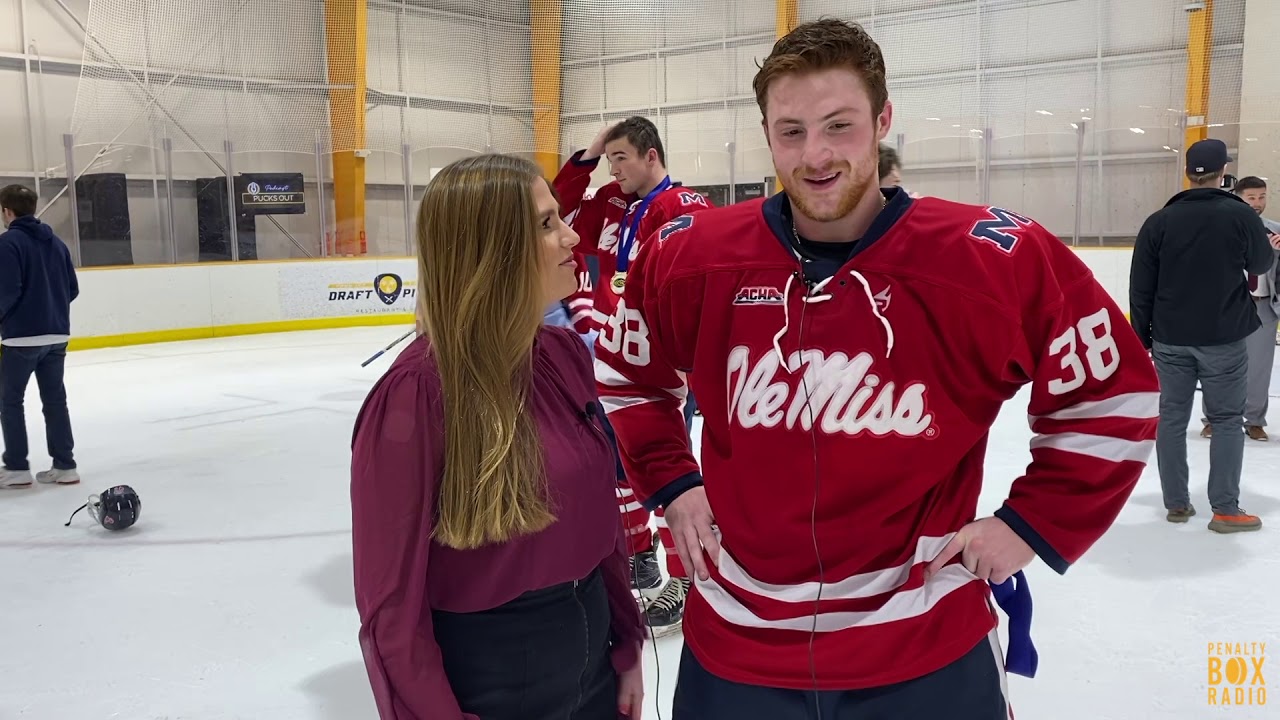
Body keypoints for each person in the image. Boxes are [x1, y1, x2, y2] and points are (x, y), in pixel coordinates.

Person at [595, 19, 1160, 719]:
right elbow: (628, 377)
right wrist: (674, 483)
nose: (816, 154)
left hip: (924, 649)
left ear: (883, 119)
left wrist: (1031, 524)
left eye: (840, 125)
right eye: (791, 131)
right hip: (737, 647)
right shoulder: (691, 254)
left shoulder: (990, 256)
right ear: (766, 132)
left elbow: (1113, 395)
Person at [350, 154, 644, 720]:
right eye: (546, 223)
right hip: (493, 680)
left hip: (593, 658)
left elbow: (600, 519)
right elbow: (391, 612)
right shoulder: (415, 397)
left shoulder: (561, 358)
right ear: (491, 251)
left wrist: (625, 643)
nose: (572, 236)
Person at [554, 115, 715, 635]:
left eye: (622, 157)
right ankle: (640, 553)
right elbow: (558, 207)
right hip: (609, 356)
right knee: (615, 467)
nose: (613, 168)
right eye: (609, 159)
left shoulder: (681, 206)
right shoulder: (610, 202)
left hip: (660, 367)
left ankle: (691, 577)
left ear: (652, 156)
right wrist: (591, 151)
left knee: (665, 470)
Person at [1130, 140, 1273, 534]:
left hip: (1171, 339)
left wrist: (1140, 338)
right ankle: (1225, 508)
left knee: (1172, 417)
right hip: (1224, 337)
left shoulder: (1158, 222)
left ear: (1188, 172)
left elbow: (1141, 287)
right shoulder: (1240, 215)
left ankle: (1176, 502)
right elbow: (1261, 262)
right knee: (1227, 419)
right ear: (1223, 170)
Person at [0, 184, 81, 489]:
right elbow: (72, 288)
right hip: (56, 335)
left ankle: (18, 468)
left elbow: (7, 290)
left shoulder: (8, 244)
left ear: (7, 211)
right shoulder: (57, 244)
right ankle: (65, 465)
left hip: (21, 338)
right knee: (55, 401)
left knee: (9, 401)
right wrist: (51, 313)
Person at [1197, 175, 1280, 441]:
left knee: (1259, 369)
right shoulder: (1223, 227)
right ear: (1238, 197)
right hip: (1229, 306)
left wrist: (1277, 252)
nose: (1257, 203)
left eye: (1262, 196)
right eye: (1251, 197)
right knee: (1218, 364)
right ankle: (1212, 418)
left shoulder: (1275, 231)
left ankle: (1254, 420)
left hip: (1263, 306)